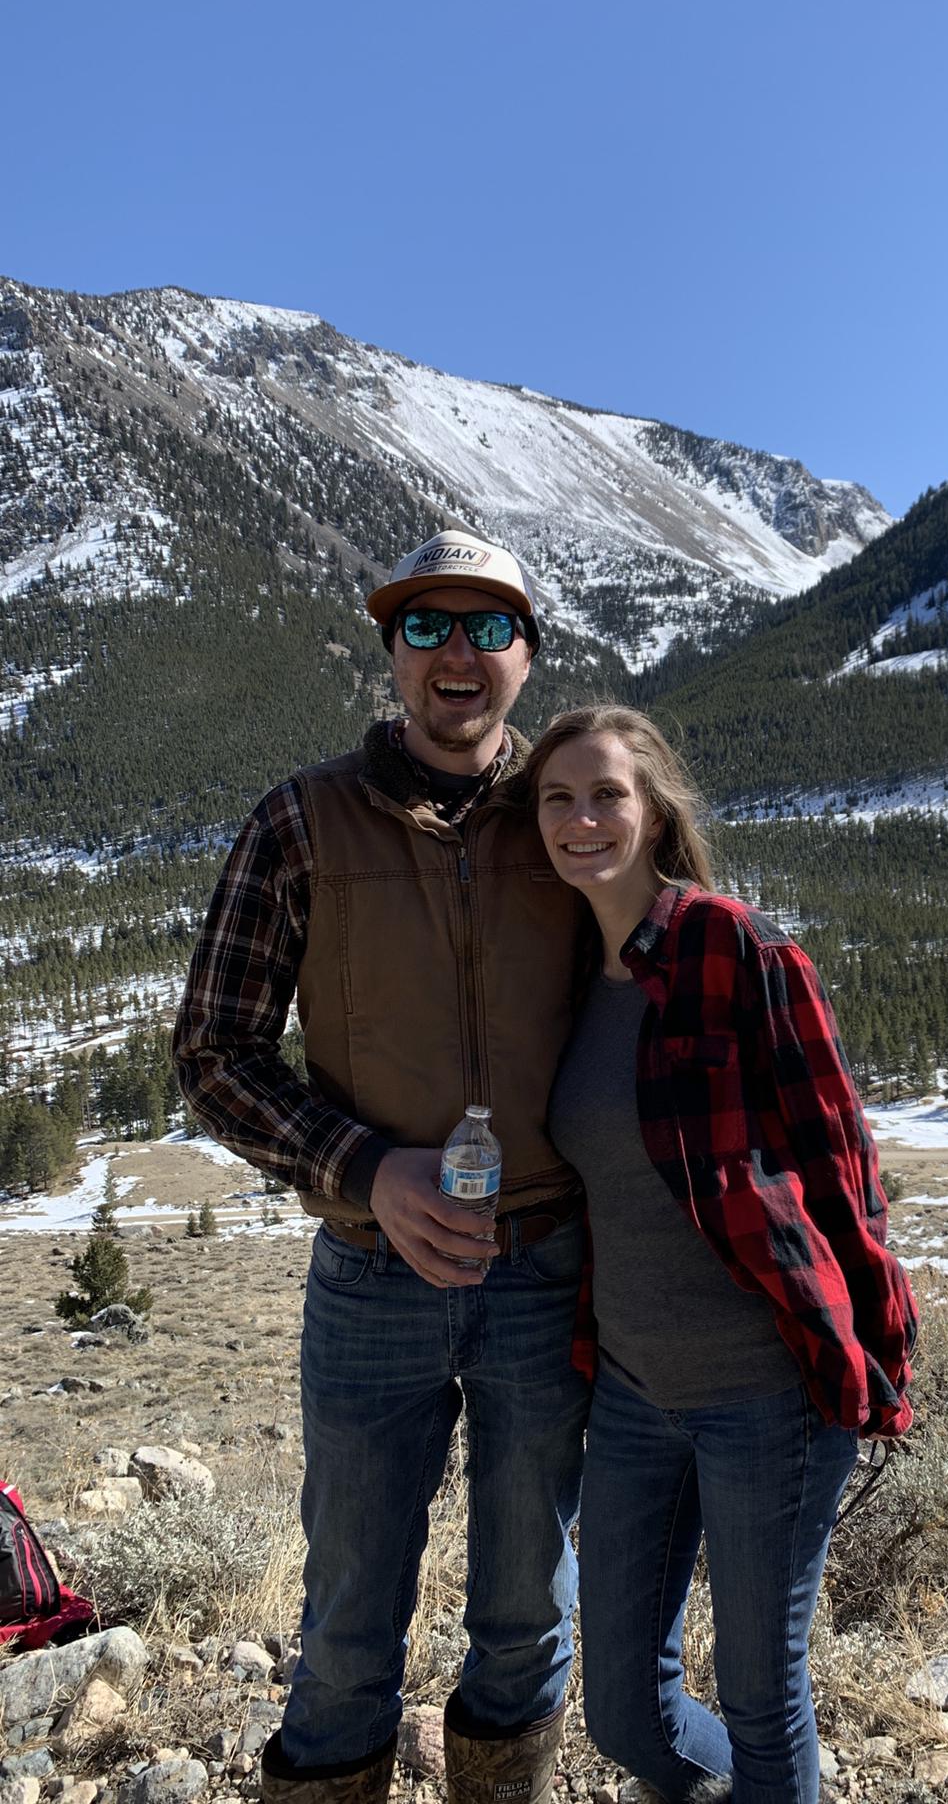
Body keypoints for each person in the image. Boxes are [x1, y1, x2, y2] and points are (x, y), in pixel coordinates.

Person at [173, 530, 590, 1804]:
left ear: (527, 653)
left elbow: (667, 1001)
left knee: (528, 1610)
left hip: (545, 1270)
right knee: (349, 1619)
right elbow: (214, 1047)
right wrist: (369, 1169)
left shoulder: (573, 817)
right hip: (369, 1275)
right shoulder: (303, 819)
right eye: (425, 627)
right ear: (390, 651)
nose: (454, 653)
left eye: (484, 626)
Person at [526, 705, 918, 1804]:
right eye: (558, 797)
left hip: (767, 1392)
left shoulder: (737, 948)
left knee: (759, 1692)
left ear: (655, 809)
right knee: (622, 1708)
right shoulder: (565, 978)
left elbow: (844, 1167)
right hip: (638, 1394)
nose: (582, 818)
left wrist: (876, 1355)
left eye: (606, 792)